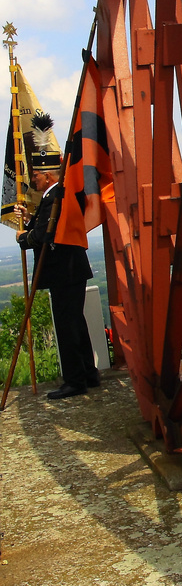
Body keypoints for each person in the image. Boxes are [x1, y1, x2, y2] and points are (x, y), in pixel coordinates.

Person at [16, 115, 100, 400]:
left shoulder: (54, 197)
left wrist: (23, 237)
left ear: (48, 175)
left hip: (63, 271)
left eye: (36, 177)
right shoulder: (57, 196)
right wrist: (29, 220)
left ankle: (75, 381)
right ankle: (88, 373)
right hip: (72, 269)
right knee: (76, 323)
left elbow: (42, 236)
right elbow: (44, 227)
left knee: (67, 326)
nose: (33, 181)